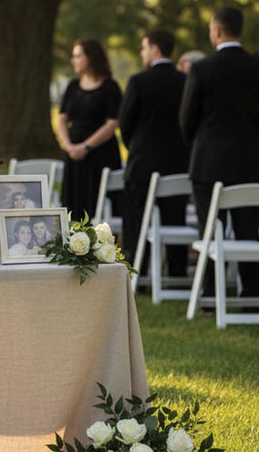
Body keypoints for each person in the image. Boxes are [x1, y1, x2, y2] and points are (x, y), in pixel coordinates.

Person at [179, 6, 259, 299]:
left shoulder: (201, 69)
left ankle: (210, 296)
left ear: (217, 31)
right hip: (249, 161)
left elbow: (187, 118)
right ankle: (251, 294)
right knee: (248, 231)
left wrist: (197, 147)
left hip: (208, 163)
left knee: (209, 230)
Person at [119, 30, 189, 275]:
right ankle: (178, 271)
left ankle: (139, 269)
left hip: (143, 162)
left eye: (144, 47)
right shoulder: (185, 80)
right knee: (175, 216)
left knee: (138, 218)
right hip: (178, 162)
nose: (142, 52)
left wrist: (136, 146)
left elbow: (125, 123)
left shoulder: (139, 81)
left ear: (155, 49)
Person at [57, 39, 122, 220]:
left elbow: (112, 124)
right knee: (73, 205)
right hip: (73, 157)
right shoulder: (72, 86)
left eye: (78, 56)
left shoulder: (110, 87)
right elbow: (62, 118)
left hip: (100, 156)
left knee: (97, 206)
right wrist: (68, 145)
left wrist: (85, 147)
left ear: (91, 58)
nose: (73, 60)